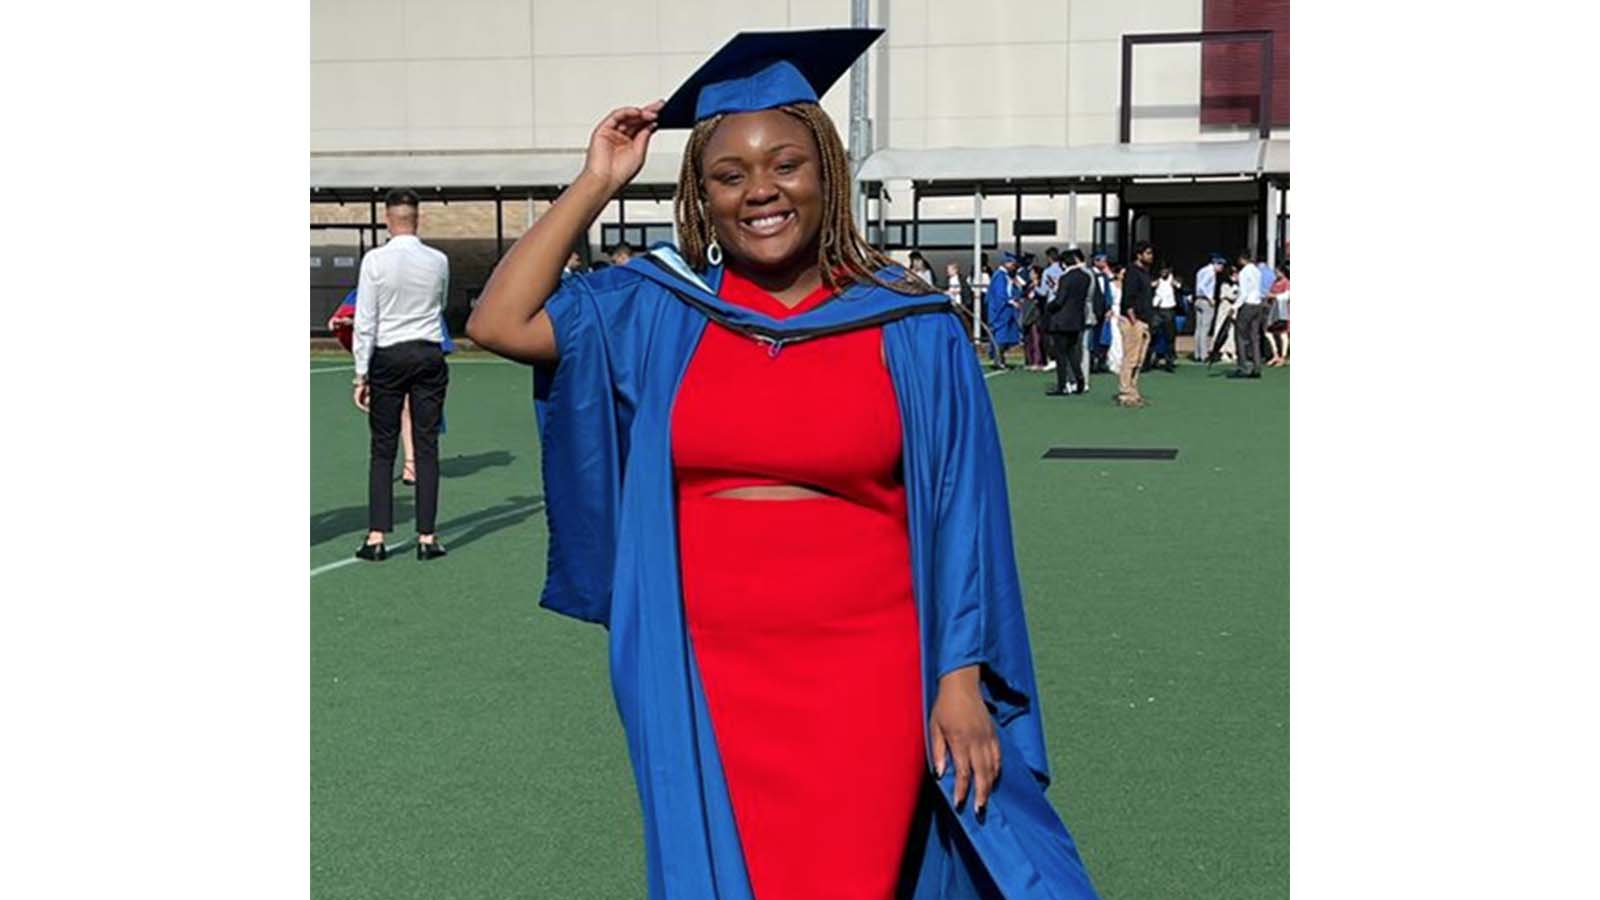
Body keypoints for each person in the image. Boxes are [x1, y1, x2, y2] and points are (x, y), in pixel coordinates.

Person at [464, 28, 1098, 900]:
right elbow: (498, 322)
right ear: (703, 195)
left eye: (786, 164)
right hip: (699, 667)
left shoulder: (907, 328)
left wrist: (958, 679)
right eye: (729, 175)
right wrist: (601, 180)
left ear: (826, 174)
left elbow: (963, 514)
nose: (760, 191)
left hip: (868, 667)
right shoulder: (659, 312)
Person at [350, 188, 451, 561]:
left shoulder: (374, 261)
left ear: (388, 220)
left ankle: (376, 536)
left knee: (383, 447)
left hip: (388, 355)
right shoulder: (438, 260)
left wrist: (361, 373)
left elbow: (366, 320)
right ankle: (428, 537)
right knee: (426, 445)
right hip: (427, 351)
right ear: (417, 218)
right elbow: (440, 304)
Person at [1044, 248, 1090, 396]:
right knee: (1072, 353)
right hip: (1076, 320)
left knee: (1061, 355)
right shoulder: (1085, 277)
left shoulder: (1066, 278)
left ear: (1064, 263)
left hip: (1061, 321)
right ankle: (1080, 381)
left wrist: (1048, 307)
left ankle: (1062, 385)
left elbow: (1059, 300)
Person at [1117, 241, 1155, 406]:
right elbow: (1128, 298)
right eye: (1147, 253)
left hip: (1144, 320)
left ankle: (1134, 391)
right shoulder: (1132, 272)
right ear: (1139, 255)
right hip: (1134, 321)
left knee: (1139, 360)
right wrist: (1133, 321)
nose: (1150, 256)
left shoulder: (1145, 273)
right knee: (1130, 358)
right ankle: (1125, 393)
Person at [1229, 249, 1266, 378]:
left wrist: (1234, 306)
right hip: (1257, 304)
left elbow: (1244, 292)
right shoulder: (1257, 271)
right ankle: (1257, 366)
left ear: (1242, 259)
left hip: (1248, 305)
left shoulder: (1244, 272)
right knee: (1254, 337)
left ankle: (1242, 366)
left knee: (1240, 335)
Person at [985, 251, 1023, 369]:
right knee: (1000, 336)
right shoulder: (999, 276)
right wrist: (1011, 301)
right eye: (1012, 263)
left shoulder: (1007, 276)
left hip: (1007, 310)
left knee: (1007, 335)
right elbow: (1000, 294)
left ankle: (1001, 358)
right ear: (1006, 263)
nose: (1013, 266)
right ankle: (998, 360)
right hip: (1000, 311)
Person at [1147, 265, 1179, 372]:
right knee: (1152, 337)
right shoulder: (1156, 281)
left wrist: (1175, 284)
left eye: (1166, 271)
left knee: (1170, 338)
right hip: (1157, 310)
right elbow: (1148, 289)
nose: (1164, 273)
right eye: (1162, 271)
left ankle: (1169, 362)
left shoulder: (1173, 280)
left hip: (1169, 310)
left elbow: (1182, 288)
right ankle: (1147, 362)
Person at [1192, 254, 1223, 362]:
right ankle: (1203, 355)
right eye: (1220, 264)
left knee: (1199, 328)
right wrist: (1210, 298)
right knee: (1205, 328)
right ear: (1215, 263)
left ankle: (1197, 353)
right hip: (1205, 300)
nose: (1221, 267)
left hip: (1198, 299)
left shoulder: (1201, 270)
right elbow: (1202, 286)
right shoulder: (1210, 272)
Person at [1089, 252, 1114, 373]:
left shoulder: (1104, 276)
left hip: (1103, 310)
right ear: (1096, 261)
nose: (1105, 263)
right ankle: (1090, 361)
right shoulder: (1089, 275)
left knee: (1101, 336)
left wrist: (1109, 308)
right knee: (1091, 336)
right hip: (1092, 309)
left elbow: (1108, 294)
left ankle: (1100, 360)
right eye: (1103, 261)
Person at [1022, 263, 1047, 370]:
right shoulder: (1028, 285)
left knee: (1036, 338)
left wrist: (1036, 287)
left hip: (1036, 314)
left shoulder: (1040, 285)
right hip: (1028, 313)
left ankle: (1038, 361)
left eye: (1033, 273)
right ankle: (1029, 360)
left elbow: (1042, 296)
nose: (1030, 275)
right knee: (1028, 338)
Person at [1266, 261, 1290, 366]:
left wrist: (1274, 296)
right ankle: (1275, 354)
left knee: (1282, 333)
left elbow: (1287, 296)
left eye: (1277, 271)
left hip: (1283, 310)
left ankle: (1283, 357)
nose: (1276, 273)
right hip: (1273, 310)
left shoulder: (1287, 282)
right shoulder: (1275, 282)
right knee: (1269, 332)